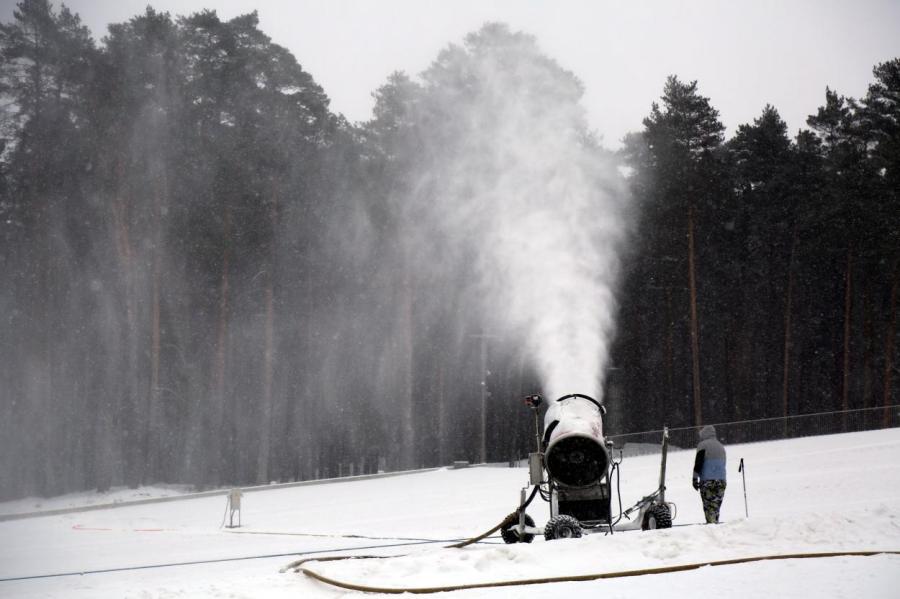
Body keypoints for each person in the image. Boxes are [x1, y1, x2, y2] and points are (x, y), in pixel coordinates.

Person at [692, 425, 726, 523]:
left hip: (707, 481)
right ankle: (716, 527)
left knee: (708, 508)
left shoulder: (702, 445)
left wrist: (694, 478)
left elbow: (698, 462)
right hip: (721, 481)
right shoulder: (721, 446)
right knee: (715, 508)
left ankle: (712, 530)